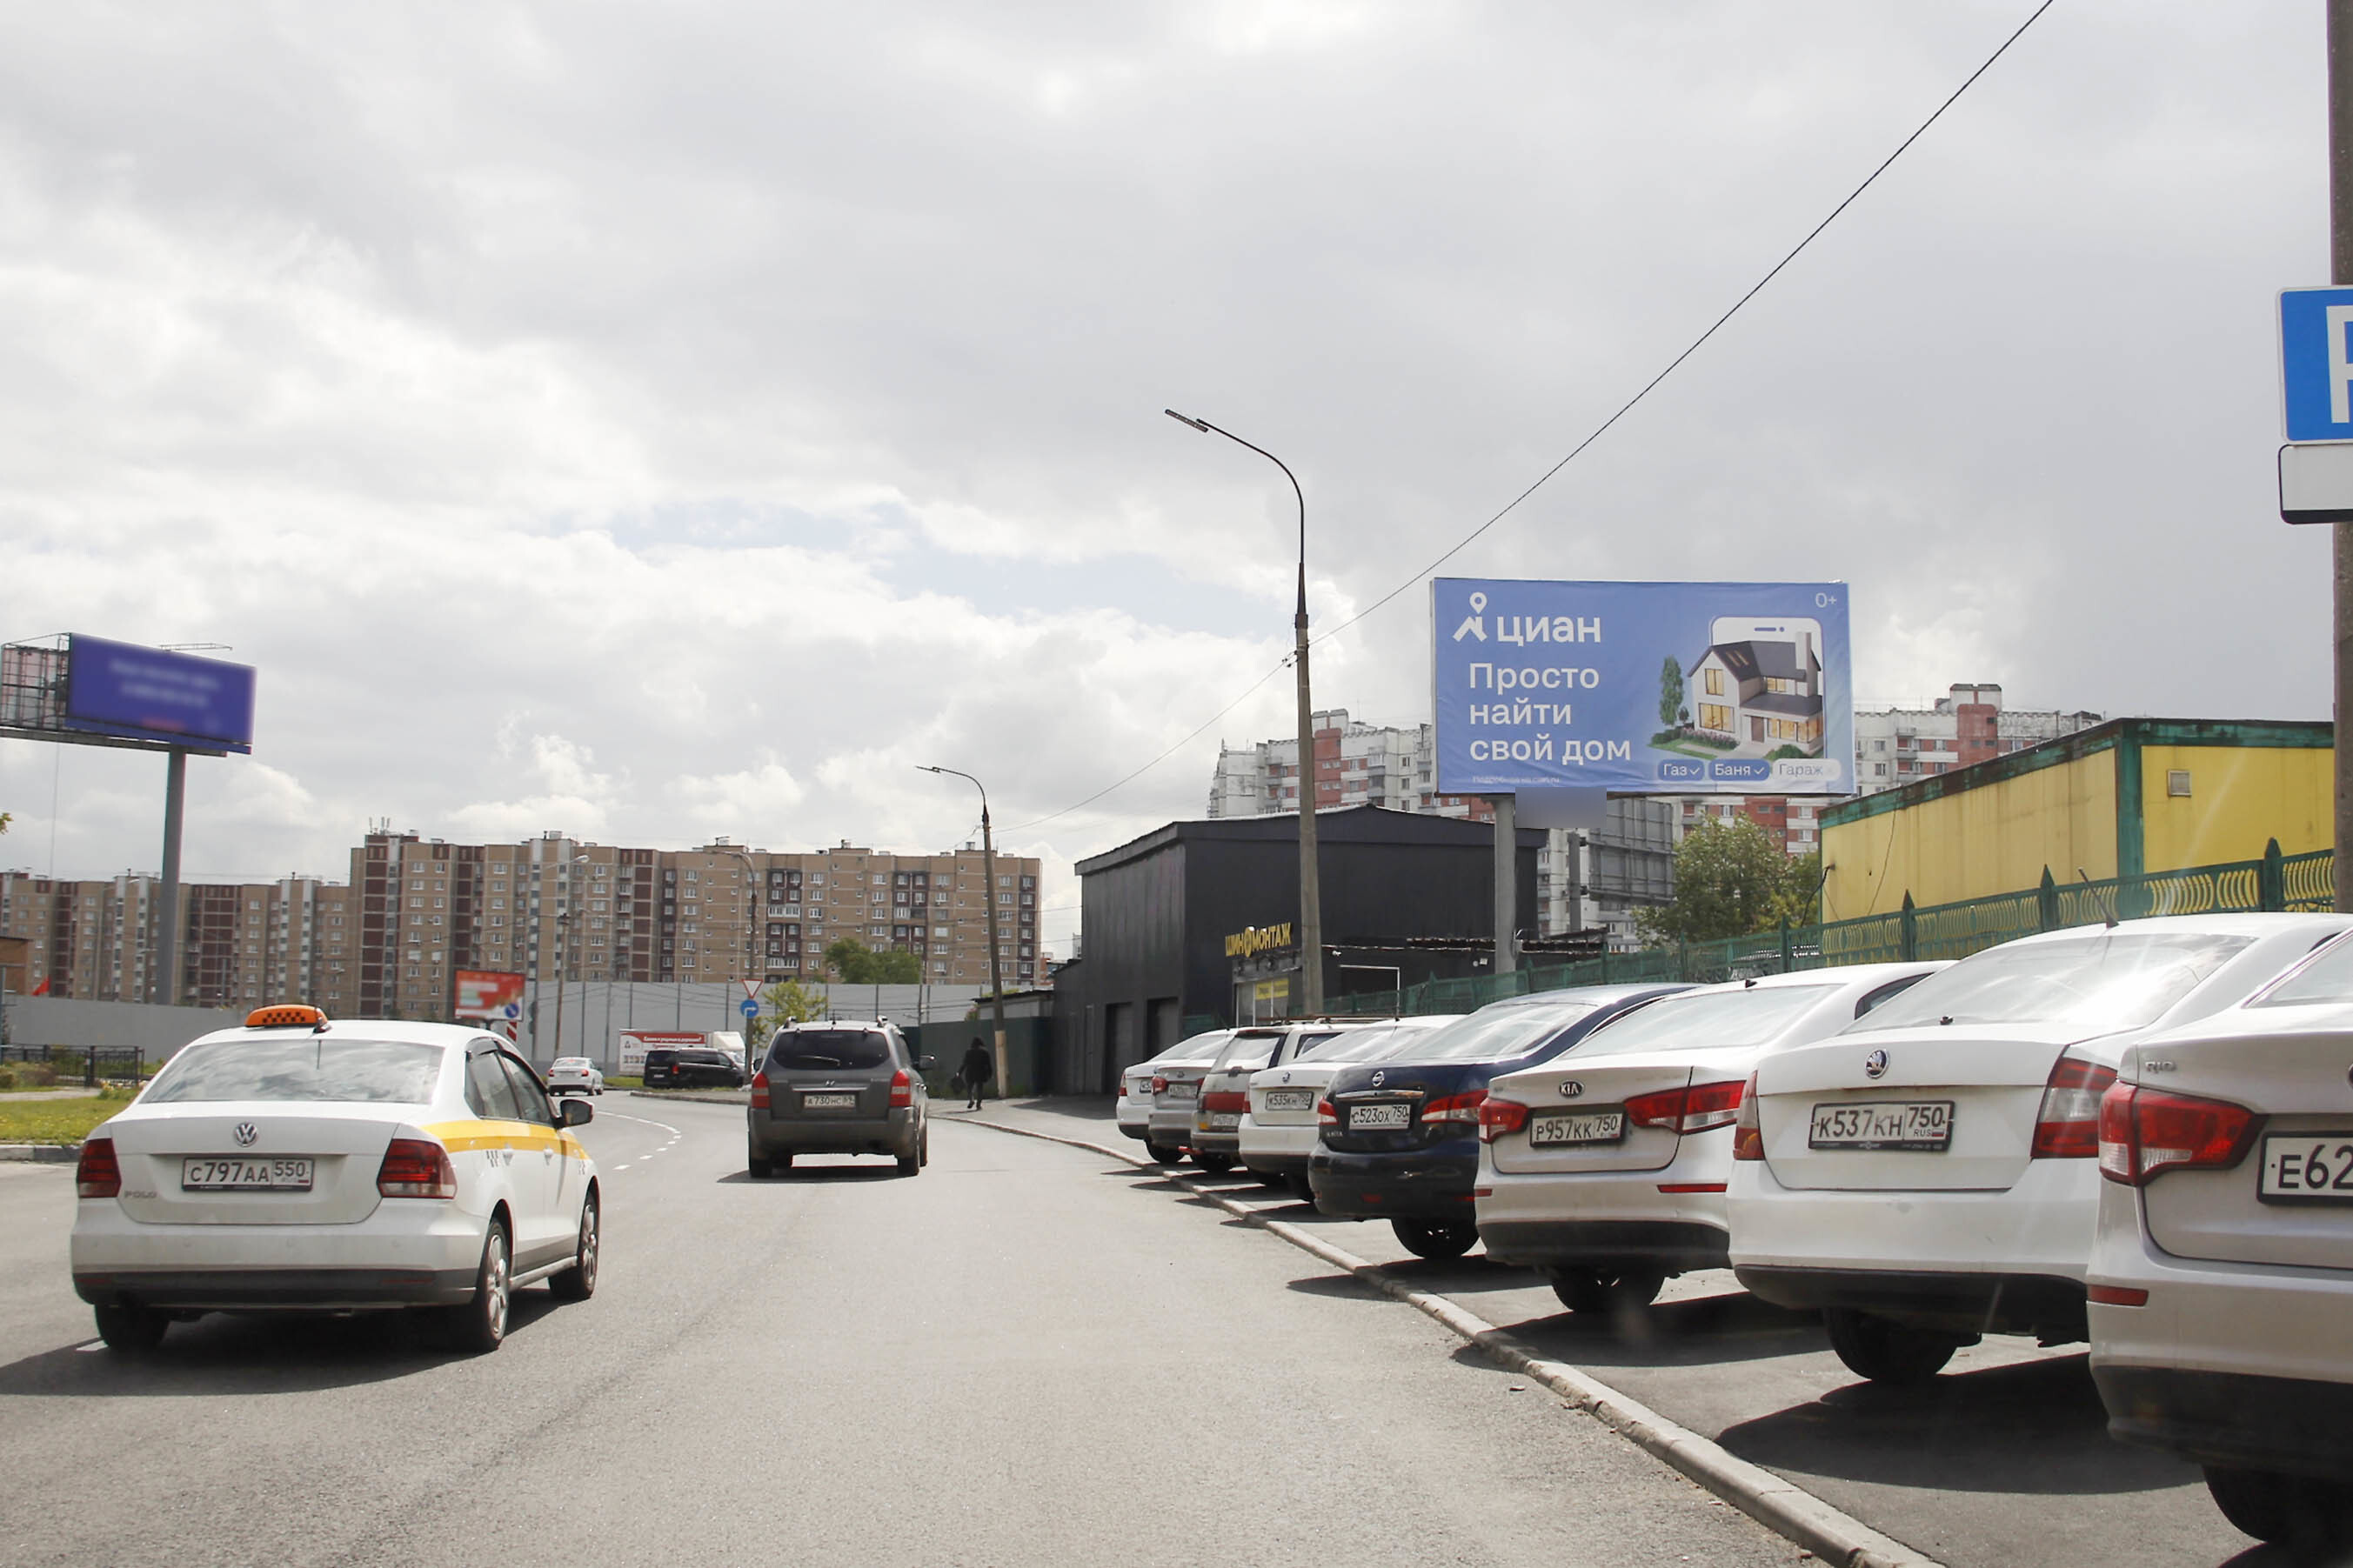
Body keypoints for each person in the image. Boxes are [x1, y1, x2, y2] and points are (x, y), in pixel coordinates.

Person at [959, 1037, 993, 1110]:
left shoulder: (969, 1052)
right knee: (980, 1089)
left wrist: (959, 1072)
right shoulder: (985, 1052)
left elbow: (964, 1063)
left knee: (969, 1088)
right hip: (980, 1073)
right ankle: (978, 1104)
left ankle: (971, 1099)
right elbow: (988, 1064)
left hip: (970, 1073)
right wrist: (990, 1074)